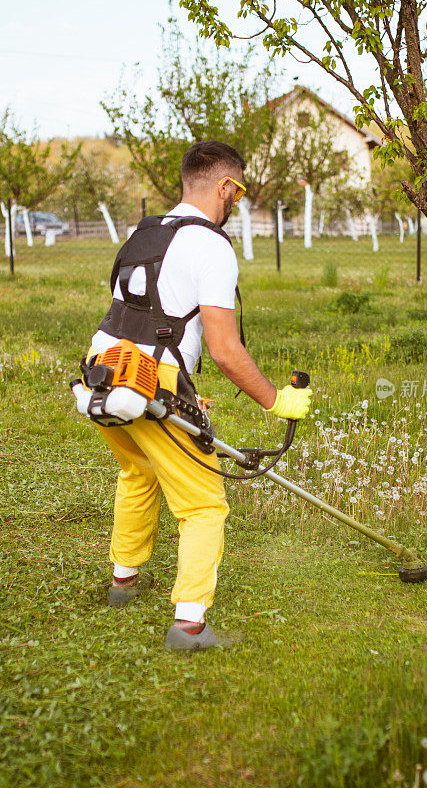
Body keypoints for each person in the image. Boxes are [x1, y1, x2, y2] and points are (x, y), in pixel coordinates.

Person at [84, 140, 312, 652]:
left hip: (101, 371)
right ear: (227, 187)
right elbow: (227, 351)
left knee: (138, 471)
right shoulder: (210, 245)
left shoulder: (145, 232)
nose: (236, 203)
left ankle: (124, 583)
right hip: (149, 383)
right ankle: (189, 626)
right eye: (238, 192)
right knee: (204, 504)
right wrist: (277, 402)